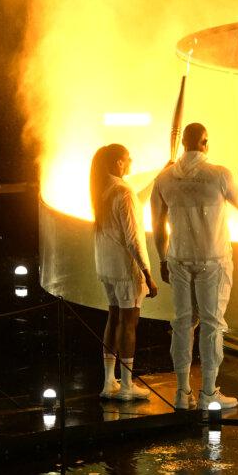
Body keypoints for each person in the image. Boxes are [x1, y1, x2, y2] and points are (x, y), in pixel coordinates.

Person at [151, 122, 238, 410]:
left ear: (183, 143)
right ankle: (209, 392)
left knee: (182, 323)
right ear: (205, 142)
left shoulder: (165, 178)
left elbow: (157, 225)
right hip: (213, 260)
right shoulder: (220, 174)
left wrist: (162, 258)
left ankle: (182, 393)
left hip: (178, 259)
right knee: (212, 325)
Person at [90, 144, 159, 401]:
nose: (131, 162)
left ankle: (109, 382)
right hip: (125, 268)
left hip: (106, 267)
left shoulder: (102, 189)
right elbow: (133, 239)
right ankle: (128, 385)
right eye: (128, 159)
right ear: (119, 163)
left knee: (113, 318)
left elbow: (136, 193)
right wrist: (147, 272)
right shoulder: (124, 193)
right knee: (130, 323)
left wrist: (159, 174)